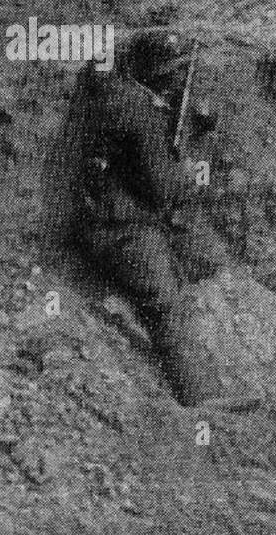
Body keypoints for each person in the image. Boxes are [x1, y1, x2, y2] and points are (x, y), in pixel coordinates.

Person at [73, 30, 225, 407]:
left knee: (195, 260)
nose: (176, 80)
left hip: (112, 217)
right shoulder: (142, 115)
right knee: (163, 301)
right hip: (121, 230)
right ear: (153, 75)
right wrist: (188, 171)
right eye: (170, 73)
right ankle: (198, 396)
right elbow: (161, 190)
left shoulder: (119, 96)